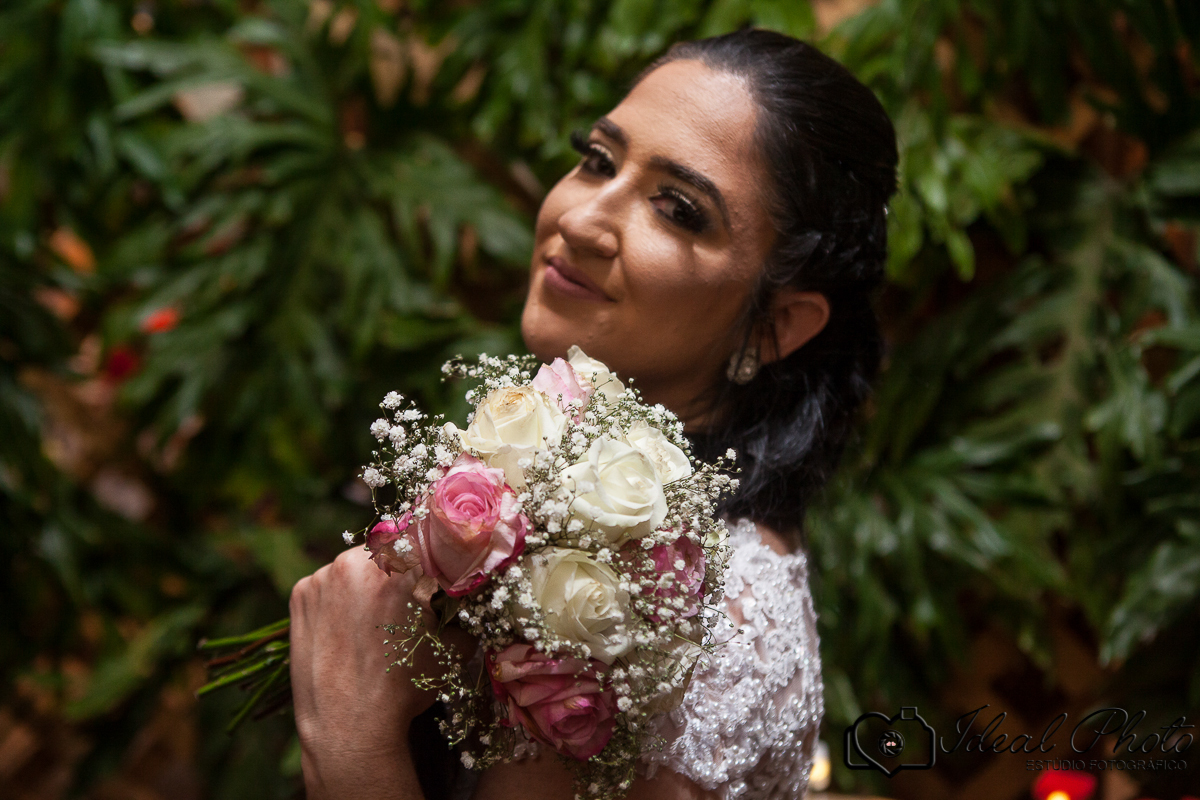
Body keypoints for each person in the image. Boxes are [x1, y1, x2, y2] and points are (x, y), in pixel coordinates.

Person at [288, 28, 897, 800]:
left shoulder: (681, 615)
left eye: (678, 209)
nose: (579, 220)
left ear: (776, 325)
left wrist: (351, 739)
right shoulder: (587, 488)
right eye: (598, 161)